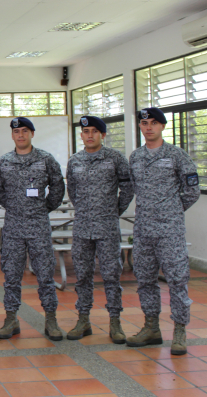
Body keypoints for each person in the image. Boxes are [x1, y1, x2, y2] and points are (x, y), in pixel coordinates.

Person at [126, 107, 200, 355]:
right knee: (145, 280)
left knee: (177, 280)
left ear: (163, 126)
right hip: (144, 230)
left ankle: (179, 331)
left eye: (154, 123)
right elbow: (136, 189)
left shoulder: (177, 155)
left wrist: (171, 212)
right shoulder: (135, 157)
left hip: (170, 230)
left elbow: (192, 191)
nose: (148, 127)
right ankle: (151, 328)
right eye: (144, 123)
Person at [0, 117, 65, 341]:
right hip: (13, 226)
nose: (20, 135)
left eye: (25, 131)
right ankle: (11, 318)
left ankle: (51, 319)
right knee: (11, 275)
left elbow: (57, 187)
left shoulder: (45, 159)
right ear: (12, 135)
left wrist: (42, 208)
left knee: (45, 273)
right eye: (16, 132)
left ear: (32, 133)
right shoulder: (4, 161)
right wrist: (16, 208)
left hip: (38, 226)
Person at [65, 116, 134, 343]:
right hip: (83, 227)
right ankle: (83, 320)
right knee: (82, 276)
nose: (90, 135)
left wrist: (113, 211)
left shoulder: (115, 158)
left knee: (111, 276)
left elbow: (127, 188)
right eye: (86, 131)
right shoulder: (74, 160)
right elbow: (72, 191)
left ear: (102, 134)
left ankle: (115, 323)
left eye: (95, 131)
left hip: (107, 227)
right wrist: (86, 210)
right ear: (82, 135)